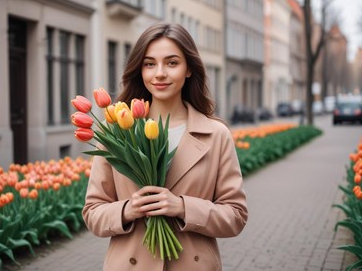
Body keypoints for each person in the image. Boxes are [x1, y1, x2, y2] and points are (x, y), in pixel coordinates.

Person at [82, 22, 248, 271]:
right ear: (140, 70)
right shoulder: (116, 132)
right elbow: (93, 213)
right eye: (149, 64)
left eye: (172, 63)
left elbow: (236, 216)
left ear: (189, 69)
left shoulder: (215, 135)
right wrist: (128, 209)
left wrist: (182, 207)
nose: (159, 73)